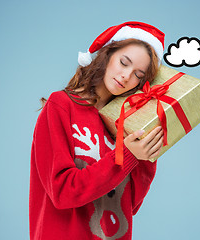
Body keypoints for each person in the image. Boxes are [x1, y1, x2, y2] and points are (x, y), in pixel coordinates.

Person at [29, 21, 165, 240]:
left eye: (138, 75)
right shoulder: (61, 106)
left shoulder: (125, 124)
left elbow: (131, 205)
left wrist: (148, 153)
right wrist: (127, 155)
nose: (126, 76)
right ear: (107, 55)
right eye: (123, 62)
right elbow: (62, 192)